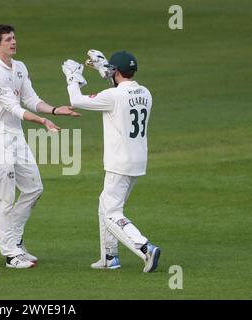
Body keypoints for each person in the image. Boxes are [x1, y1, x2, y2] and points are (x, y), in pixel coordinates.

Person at [0, 24, 81, 269]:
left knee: (34, 187)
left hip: (15, 135)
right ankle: (11, 254)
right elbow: (13, 107)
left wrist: (56, 110)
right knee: (4, 197)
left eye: (14, 38)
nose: (13, 42)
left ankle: (14, 239)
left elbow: (31, 99)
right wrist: (42, 121)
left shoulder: (20, 67)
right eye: (8, 39)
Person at [62, 50, 161, 272]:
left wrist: (72, 76)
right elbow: (121, 88)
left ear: (116, 71)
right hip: (138, 161)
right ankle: (109, 257)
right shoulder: (146, 92)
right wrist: (103, 68)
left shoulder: (113, 96)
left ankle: (146, 248)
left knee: (111, 214)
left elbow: (75, 100)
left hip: (119, 162)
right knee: (105, 204)